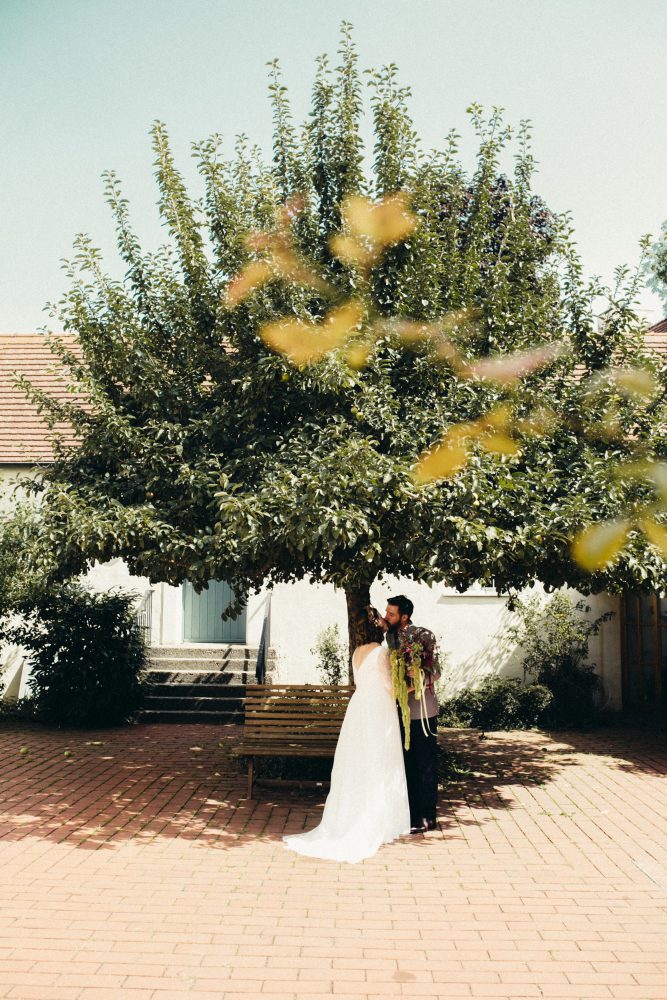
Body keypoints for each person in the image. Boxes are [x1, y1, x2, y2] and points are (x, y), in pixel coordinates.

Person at [282, 614, 411, 863]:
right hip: (377, 709)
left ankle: (350, 812)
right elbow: (390, 687)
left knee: (358, 761)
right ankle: (378, 819)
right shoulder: (382, 653)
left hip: (359, 706)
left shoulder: (356, 652)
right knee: (379, 759)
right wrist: (412, 683)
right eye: (383, 624)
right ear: (379, 630)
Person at [378, 596, 441, 834]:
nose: (386, 617)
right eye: (386, 613)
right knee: (407, 764)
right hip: (399, 712)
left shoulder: (424, 635)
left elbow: (436, 671)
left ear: (404, 616)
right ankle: (412, 813)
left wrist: (418, 677)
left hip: (423, 711)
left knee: (425, 763)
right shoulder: (392, 637)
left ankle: (428, 816)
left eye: (391, 614)